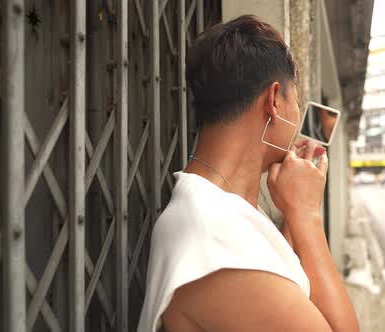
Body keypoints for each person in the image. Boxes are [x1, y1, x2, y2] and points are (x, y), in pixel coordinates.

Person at [136, 15, 358, 332]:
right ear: (273, 102)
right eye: (295, 101)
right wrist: (306, 213)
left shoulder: (216, 208)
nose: (298, 119)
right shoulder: (212, 234)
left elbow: (279, 281)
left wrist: (293, 208)